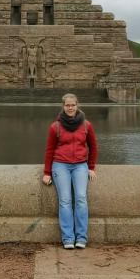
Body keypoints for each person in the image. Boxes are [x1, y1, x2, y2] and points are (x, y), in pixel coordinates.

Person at [42, 93, 97, 249]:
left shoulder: (86, 125)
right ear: (63, 107)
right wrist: (47, 172)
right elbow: (49, 150)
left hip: (80, 165)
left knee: (80, 198)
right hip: (60, 165)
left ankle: (81, 237)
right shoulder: (55, 126)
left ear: (77, 106)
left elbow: (93, 147)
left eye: (73, 105)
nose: (70, 107)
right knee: (65, 200)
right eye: (67, 105)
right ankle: (67, 238)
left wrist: (91, 167)